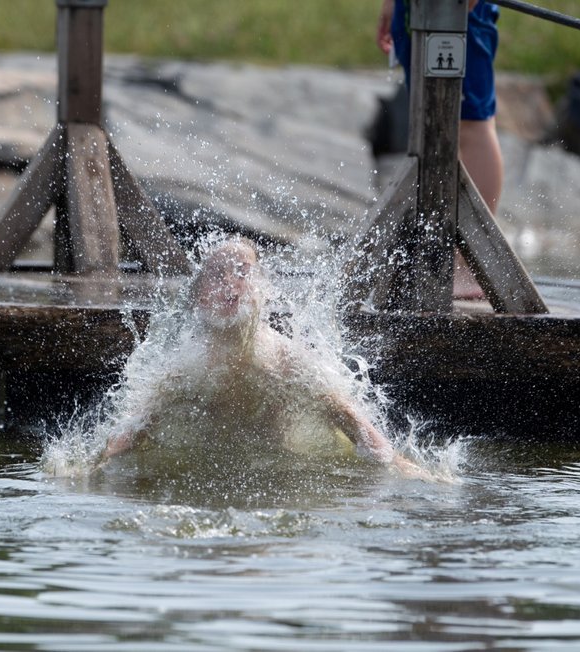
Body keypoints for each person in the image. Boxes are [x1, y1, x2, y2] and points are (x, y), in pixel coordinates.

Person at [99, 237, 425, 477]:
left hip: (281, 470)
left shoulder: (286, 360)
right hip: (208, 472)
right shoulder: (187, 365)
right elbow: (135, 428)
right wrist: (97, 468)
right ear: (198, 298)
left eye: (243, 272)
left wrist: (399, 466)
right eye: (216, 274)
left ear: (264, 290)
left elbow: (350, 417)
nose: (231, 283)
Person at [377, 0, 504, 214]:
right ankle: (440, 226)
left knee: (471, 125)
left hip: (459, 10)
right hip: (414, 8)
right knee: (430, 119)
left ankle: (475, 238)